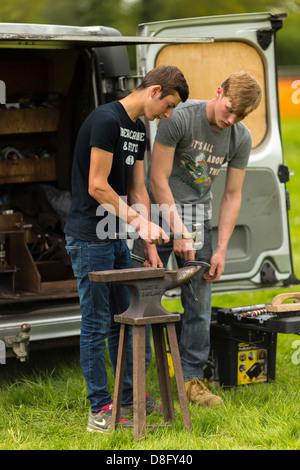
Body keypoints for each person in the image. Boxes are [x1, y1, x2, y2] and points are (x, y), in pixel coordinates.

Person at [64, 65, 189, 432]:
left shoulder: (139, 128)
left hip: (118, 237)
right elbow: (98, 186)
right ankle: (100, 409)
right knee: (97, 323)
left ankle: (130, 398)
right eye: (168, 105)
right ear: (154, 91)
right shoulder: (105, 120)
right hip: (89, 237)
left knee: (126, 318)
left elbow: (137, 190)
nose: (168, 114)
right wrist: (138, 223)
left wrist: (145, 242)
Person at [144, 71, 262, 406]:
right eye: (229, 109)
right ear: (218, 90)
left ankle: (191, 381)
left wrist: (221, 249)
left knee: (199, 299)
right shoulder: (180, 117)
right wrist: (176, 230)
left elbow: (232, 195)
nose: (231, 119)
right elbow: (157, 178)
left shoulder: (240, 137)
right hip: (157, 212)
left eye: (239, 115)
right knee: (142, 292)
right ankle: (135, 384)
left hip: (197, 216)